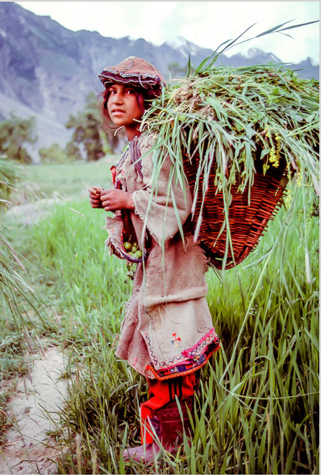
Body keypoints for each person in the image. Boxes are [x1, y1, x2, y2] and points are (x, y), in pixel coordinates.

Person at [89, 56, 220, 463]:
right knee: (162, 353)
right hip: (158, 272)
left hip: (175, 271)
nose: (117, 100)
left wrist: (129, 199)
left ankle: (167, 447)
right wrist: (115, 203)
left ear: (148, 99)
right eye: (112, 92)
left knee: (170, 355)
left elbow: (176, 203)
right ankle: (164, 441)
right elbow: (139, 206)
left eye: (129, 92)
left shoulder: (158, 143)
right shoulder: (133, 148)